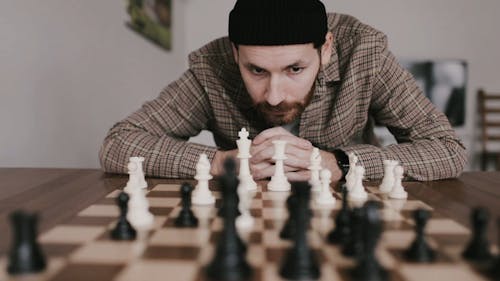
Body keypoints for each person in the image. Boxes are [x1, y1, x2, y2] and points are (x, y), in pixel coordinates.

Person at [99, 0, 467, 182]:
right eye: (256, 70)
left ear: (325, 49)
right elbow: (118, 144)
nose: (274, 95)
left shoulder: (363, 52)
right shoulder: (212, 66)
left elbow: (448, 151)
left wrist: (340, 163)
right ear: (234, 54)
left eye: (295, 69)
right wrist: (219, 162)